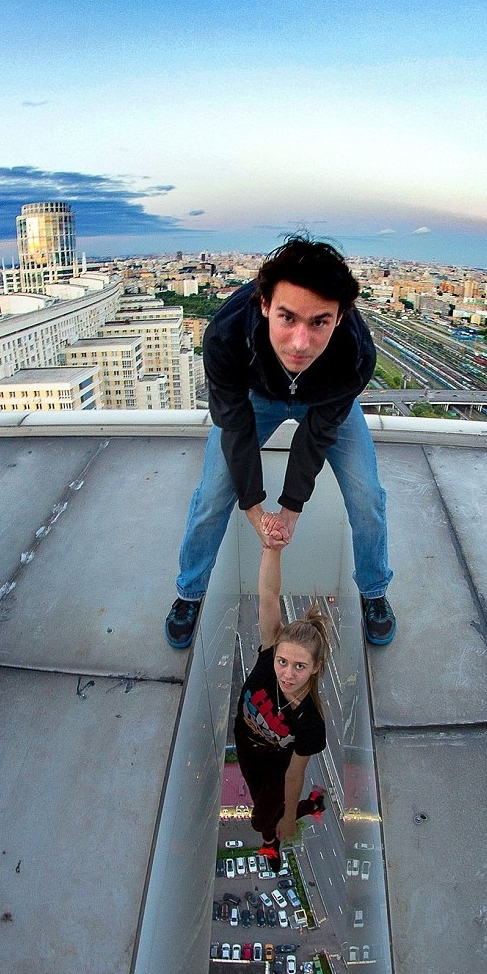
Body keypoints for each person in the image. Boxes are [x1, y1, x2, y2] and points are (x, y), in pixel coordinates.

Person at [164, 234, 395, 649]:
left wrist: (289, 511)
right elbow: (233, 426)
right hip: (258, 397)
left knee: (367, 496)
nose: (300, 343)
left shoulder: (355, 353)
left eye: (319, 321)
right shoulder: (226, 335)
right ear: (264, 304)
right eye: (288, 318)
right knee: (212, 495)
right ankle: (189, 592)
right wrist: (254, 510)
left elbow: (317, 436)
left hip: (324, 401)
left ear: (340, 317)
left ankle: (374, 590)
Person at [235, 530, 330, 871]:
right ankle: (311, 808)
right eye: (283, 662)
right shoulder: (268, 654)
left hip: (277, 765)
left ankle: (271, 841)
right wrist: (270, 549)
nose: (287, 673)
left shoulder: (310, 724)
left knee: (262, 817)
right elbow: (269, 596)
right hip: (246, 747)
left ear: (316, 668)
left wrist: (291, 816)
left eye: (300, 666)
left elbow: (294, 775)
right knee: (264, 808)